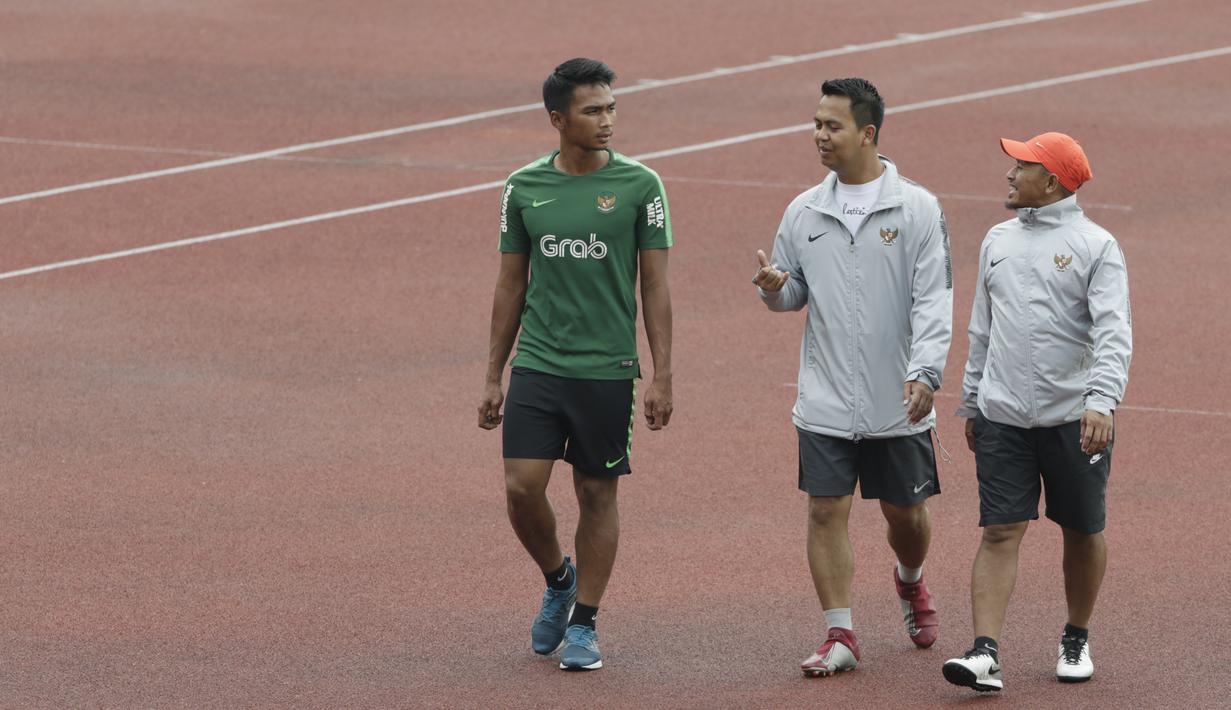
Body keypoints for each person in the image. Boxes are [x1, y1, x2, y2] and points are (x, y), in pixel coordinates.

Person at [477, 57, 674, 672]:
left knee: (595, 491)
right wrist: (492, 372)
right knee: (521, 488)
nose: (607, 120)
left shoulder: (642, 186)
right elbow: (510, 284)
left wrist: (662, 372)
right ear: (558, 119)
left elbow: (656, 287)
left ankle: (584, 622)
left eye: (611, 108)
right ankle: (559, 577)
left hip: (608, 368)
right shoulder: (522, 186)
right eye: (593, 110)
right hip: (538, 362)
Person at [753, 77, 953, 677]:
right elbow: (793, 291)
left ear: (867, 133)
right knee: (824, 511)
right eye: (816, 124)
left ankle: (910, 581)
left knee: (907, 519)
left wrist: (925, 373)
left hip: (899, 401)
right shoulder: (804, 210)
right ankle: (840, 632)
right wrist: (775, 290)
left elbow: (934, 300)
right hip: (826, 399)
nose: (818, 135)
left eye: (831, 125)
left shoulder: (917, 207)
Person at [942, 133, 1131, 692]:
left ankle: (1076, 636)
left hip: (1075, 419)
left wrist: (1101, 401)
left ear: (1050, 182)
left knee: (1082, 530)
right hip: (1003, 418)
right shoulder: (997, 239)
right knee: (1000, 531)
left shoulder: (1097, 245)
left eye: (1020, 166)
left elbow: (1113, 331)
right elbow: (982, 327)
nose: (1009, 174)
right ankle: (985, 653)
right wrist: (973, 398)